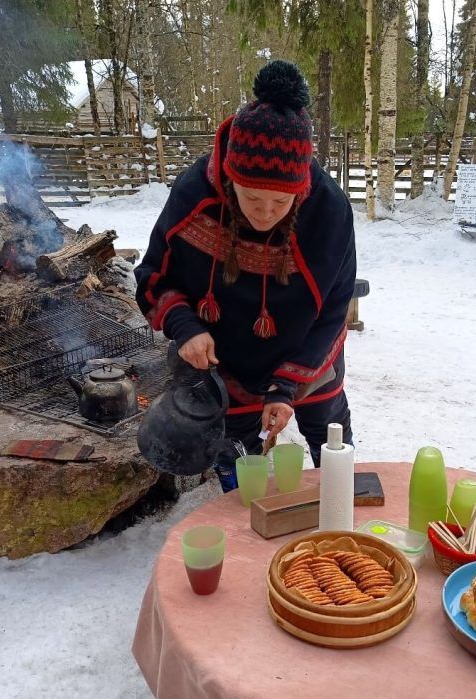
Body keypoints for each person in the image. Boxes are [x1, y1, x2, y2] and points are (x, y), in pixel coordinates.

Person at [134, 60, 356, 490]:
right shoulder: (194, 192)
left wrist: (286, 387)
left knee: (329, 431)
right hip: (224, 360)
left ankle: (339, 502)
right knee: (234, 449)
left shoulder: (328, 210)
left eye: (282, 202)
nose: (266, 215)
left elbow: (333, 313)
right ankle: (238, 506)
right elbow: (153, 277)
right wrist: (184, 326)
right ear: (229, 178)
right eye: (252, 198)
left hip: (306, 355)